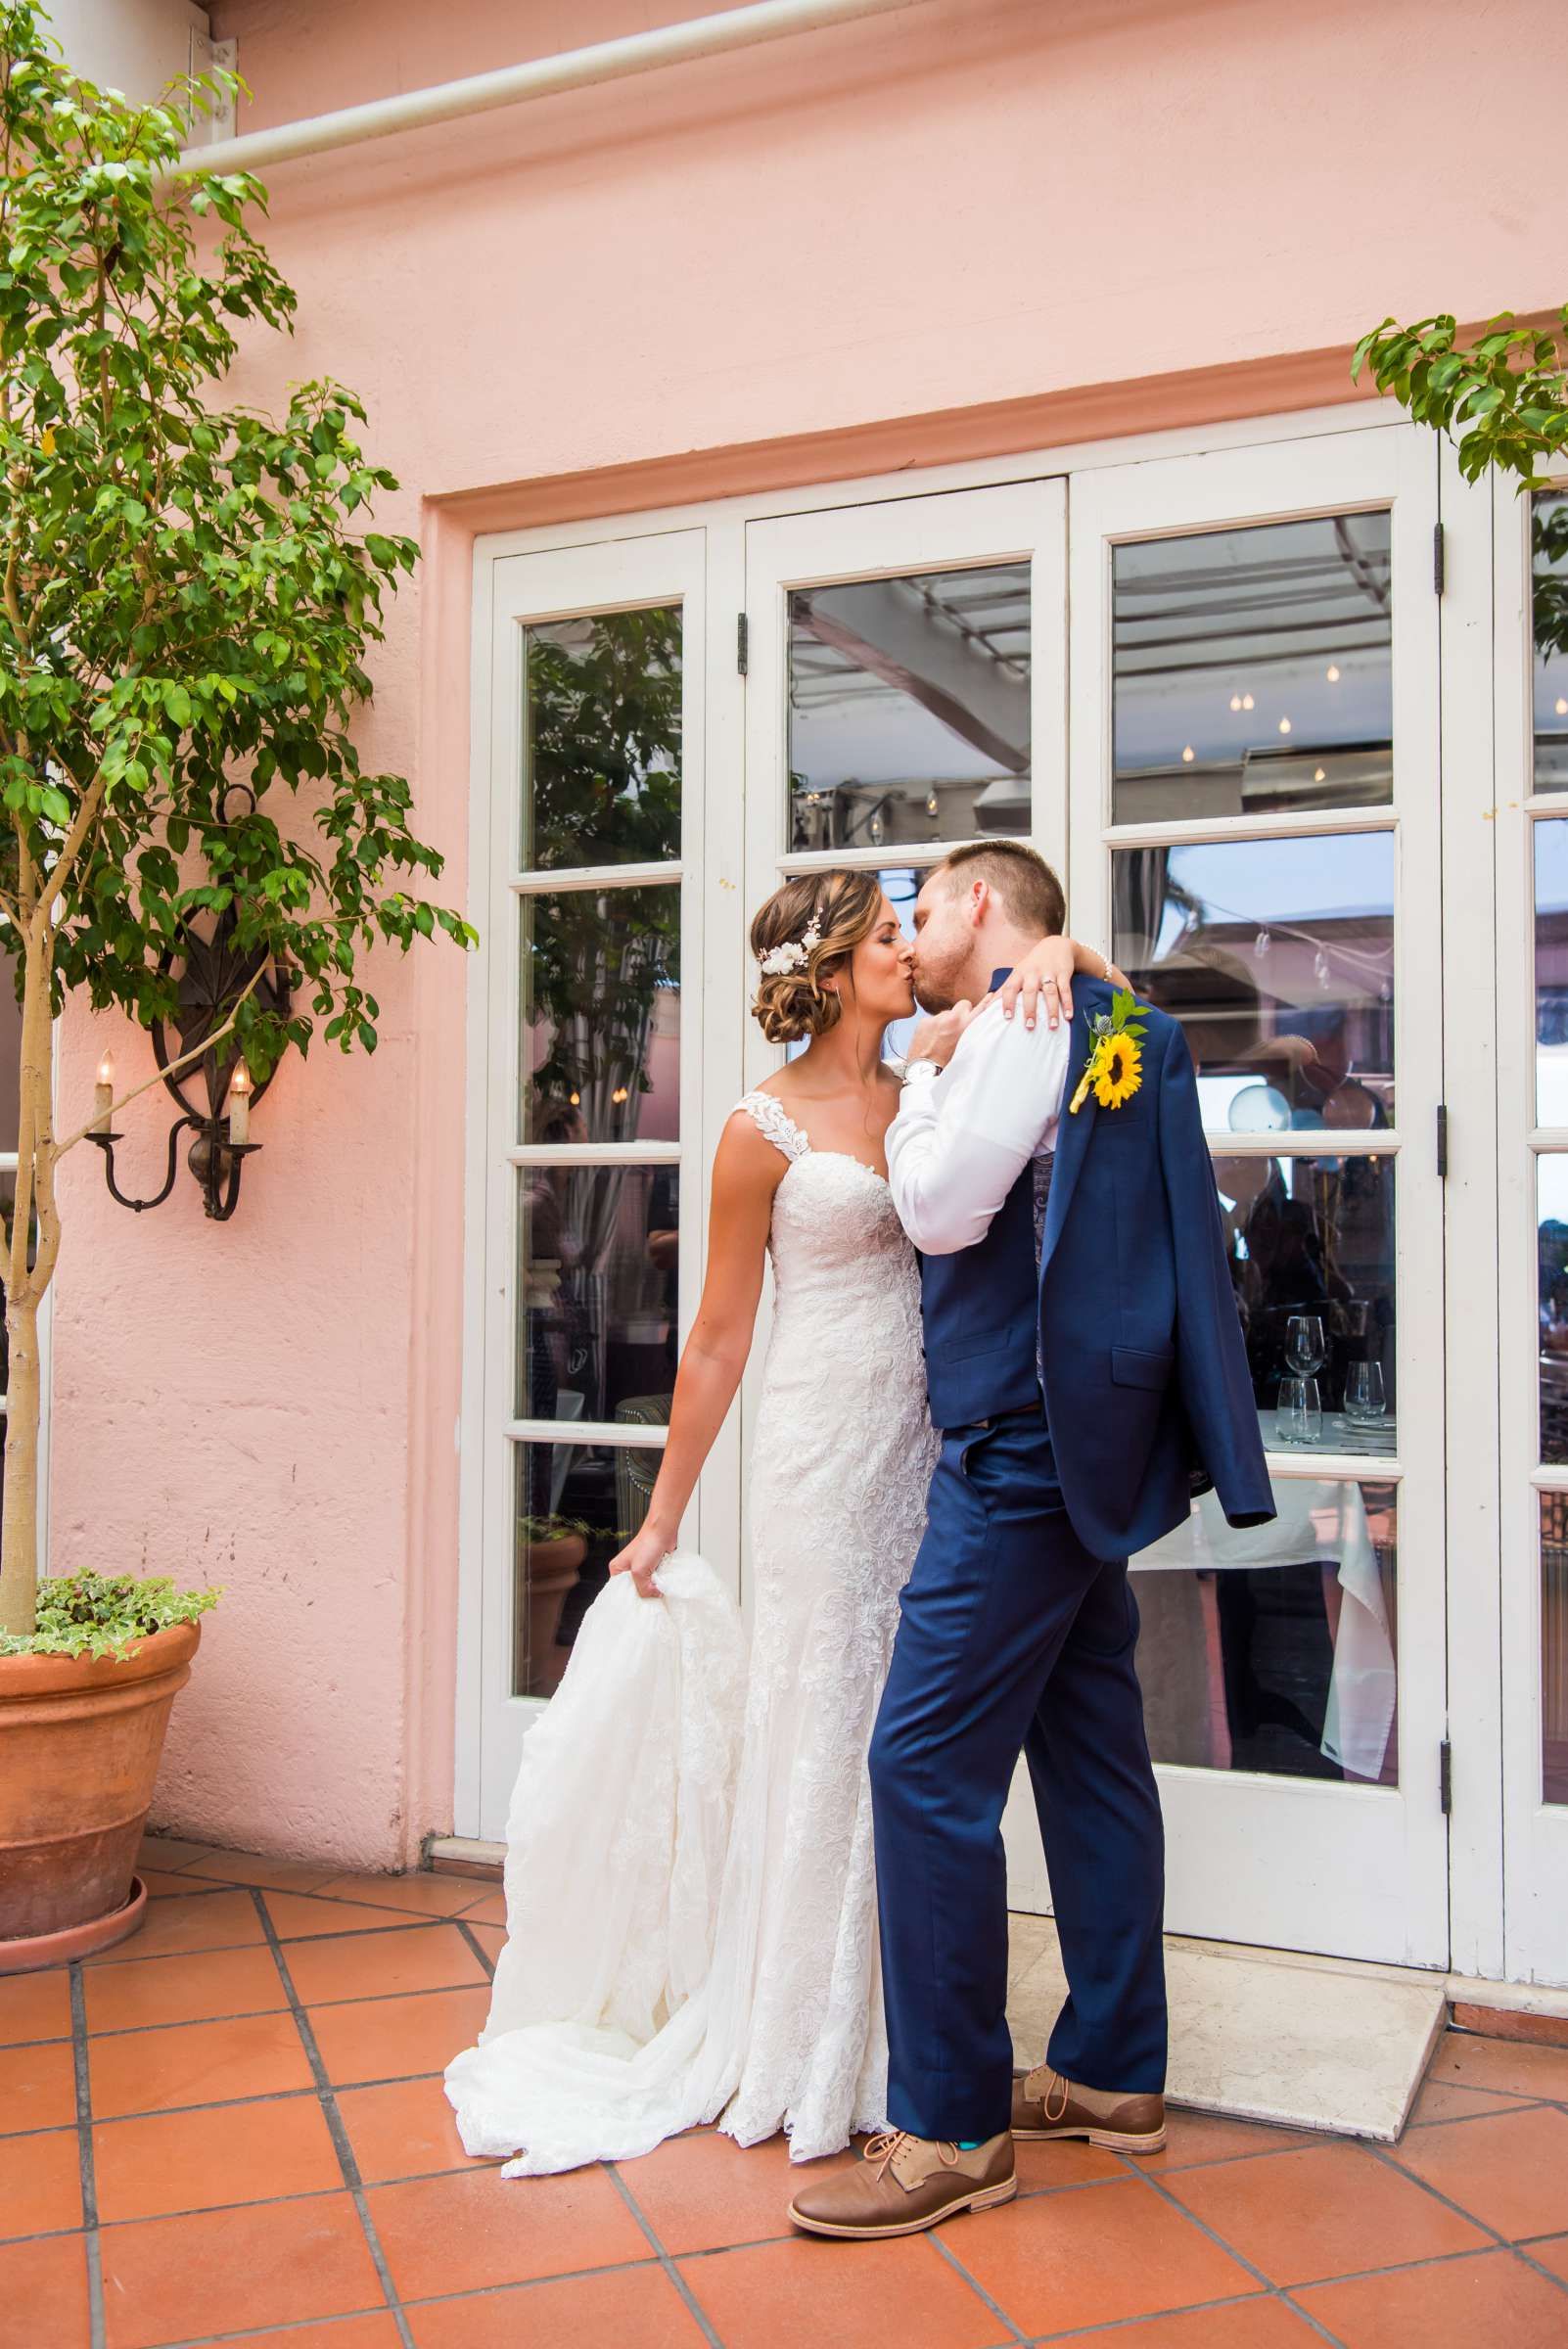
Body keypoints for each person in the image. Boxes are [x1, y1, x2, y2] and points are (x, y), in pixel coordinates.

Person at [444, 864, 1116, 2176]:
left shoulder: (947, 1061)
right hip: (817, 1451)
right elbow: (714, 1341)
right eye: (881, 936)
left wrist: (1068, 947)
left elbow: (1075, 1015)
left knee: (911, 1736)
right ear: (827, 968)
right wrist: (663, 1516)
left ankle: (901, 2035)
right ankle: (815, 2036)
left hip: (938, 1444)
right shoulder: (759, 1130)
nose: (905, 949)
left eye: (904, 931)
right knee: (825, 1721)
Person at [786, 840, 1274, 2241]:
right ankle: (1113, 2071)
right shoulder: (1086, 1016)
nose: (914, 928)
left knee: (921, 1764)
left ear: (986, 910)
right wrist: (1061, 969)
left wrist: (932, 1064)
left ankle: (949, 2127)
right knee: (1088, 1751)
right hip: (1086, 1443)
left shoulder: (1007, 1029)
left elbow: (941, 1213)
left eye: (925, 906)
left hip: (1018, 1454)